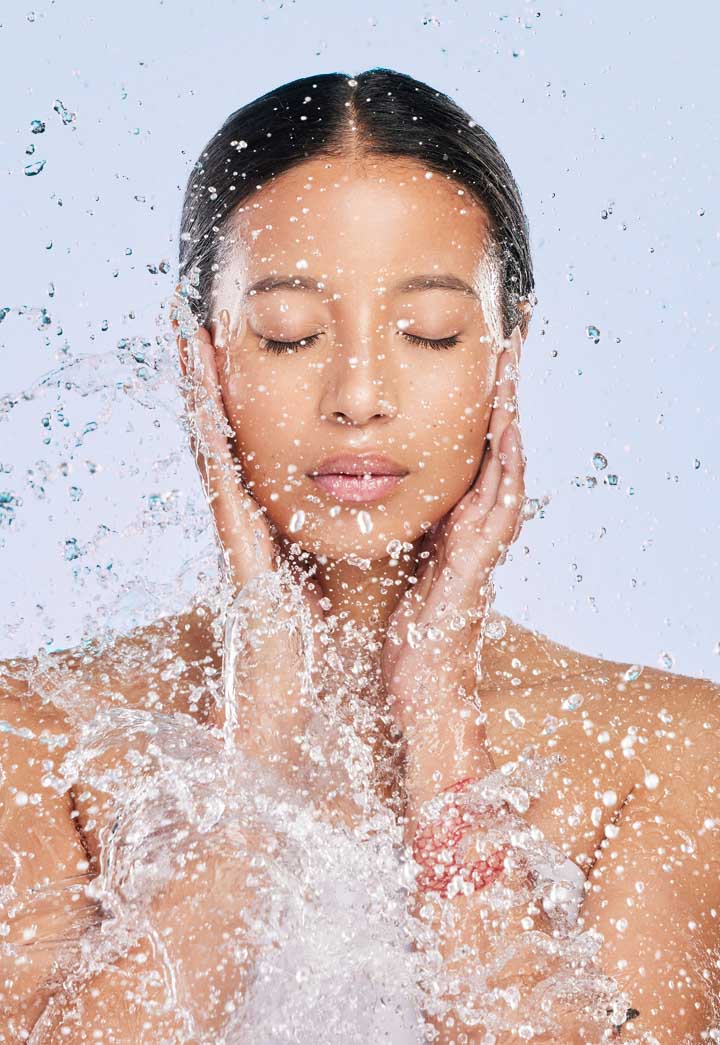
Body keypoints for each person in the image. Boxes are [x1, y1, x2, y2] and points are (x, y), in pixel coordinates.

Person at [0, 68, 718, 1044]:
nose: (360, 395)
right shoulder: (38, 739)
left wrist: (440, 720)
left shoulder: (675, 752)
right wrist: (250, 758)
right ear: (198, 355)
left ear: (507, 351)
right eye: (290, 336)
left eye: (429, 332)